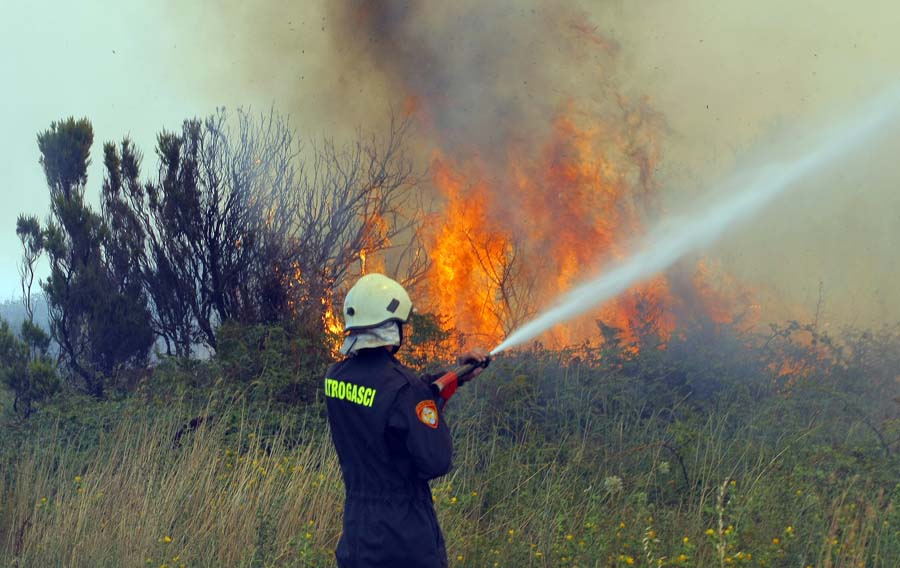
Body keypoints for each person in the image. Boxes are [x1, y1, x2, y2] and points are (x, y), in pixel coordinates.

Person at [324, 273, 489, 568]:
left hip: (359, 536)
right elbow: (436, 461)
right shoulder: (404, 390)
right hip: (404, 541)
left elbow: (396, 398)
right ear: (391, 328)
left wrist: (458, 374)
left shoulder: (335, 377)